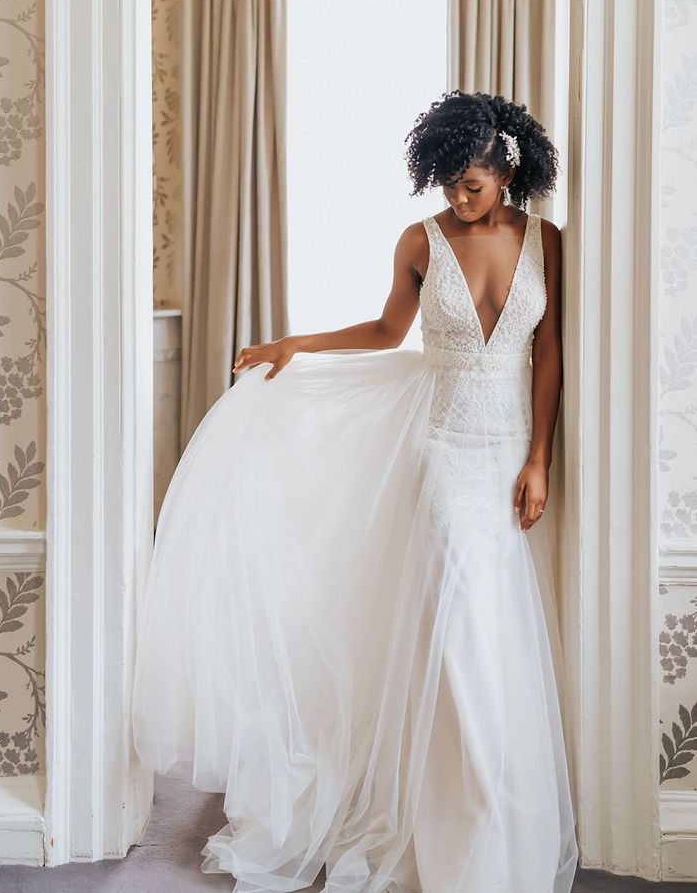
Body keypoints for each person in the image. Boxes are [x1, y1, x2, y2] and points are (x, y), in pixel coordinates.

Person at [132, 89, 580, 893]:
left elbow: (549, 354)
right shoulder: (421, 239)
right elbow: (387, 332)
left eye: (468, 184)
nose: (455, 196)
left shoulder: (549, 243)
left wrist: (539, 458)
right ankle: (461, 808)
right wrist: (295, 344)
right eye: (445, 182)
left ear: (505, 170)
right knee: (461, 634)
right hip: (442, 450)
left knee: (496, 632)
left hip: (508, 447)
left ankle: (496, 815)